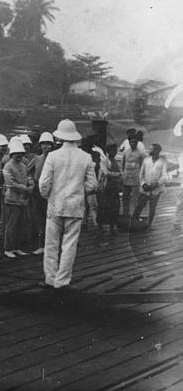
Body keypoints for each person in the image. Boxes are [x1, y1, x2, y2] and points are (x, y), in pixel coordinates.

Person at [39, 119, 97, 290]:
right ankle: (62, 281)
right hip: (75, 205)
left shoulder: (53, 156)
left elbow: (43, 184)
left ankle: (50, 279)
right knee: (69, 244)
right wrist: (79, 191)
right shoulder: (86, 157)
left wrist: (48, 196)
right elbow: (93, 185)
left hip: (55, 204)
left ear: (60, 137)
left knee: (51, 244)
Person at [2, 139, 34, 259]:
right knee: (11, 225)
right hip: (12, 199)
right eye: (16, 154)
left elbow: (29, 178)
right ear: (12, 154)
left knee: (20, 224)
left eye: (21, 153)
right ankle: (8, 248)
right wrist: (25, 189)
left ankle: (16, 247)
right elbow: (10, 183)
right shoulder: (7, 166)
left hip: (23, 200)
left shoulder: (24, 166)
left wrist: (31, 186)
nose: (19, 156)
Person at [27, 132, 54, 254]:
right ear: (40, 145)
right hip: (37, 193)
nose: (47, 147)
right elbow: (27, 173)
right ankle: (41, 245)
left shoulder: (55, 159)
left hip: (51, 192)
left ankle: (52, 244)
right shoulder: (37, 159)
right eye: (44, 144)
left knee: (52, 219)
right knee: (39, 218)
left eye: (49, 144)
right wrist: (31, 182)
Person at [132, 143, 168, 228]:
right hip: (145, 188)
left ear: (157, 151)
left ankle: (149, 224)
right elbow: (141, 174)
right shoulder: (146, 160)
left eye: (152, 149)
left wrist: (156, 184)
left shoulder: (162, 162)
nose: (149, 151)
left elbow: (164, 176)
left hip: (156, 189)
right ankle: (134, 222)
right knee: (139, 205)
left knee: (152, 207)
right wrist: (143, 184)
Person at [98, 143, 122, 236]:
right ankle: (100, 227)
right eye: (112, 150)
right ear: (108, 151)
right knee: (103, 208)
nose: (114, 152)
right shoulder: (104, 161)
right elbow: (106, 172)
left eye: (115, 151)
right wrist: (117, 174)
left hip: (114, 188)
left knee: (114, 208)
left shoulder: (117, 162)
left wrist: (118, 176)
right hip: (105, 188)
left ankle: (112, 228)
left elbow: (122, 173)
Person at [121, 129, 146, 218]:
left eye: (135, 142)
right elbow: (123, 163)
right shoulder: (126, 152)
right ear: (129, 142)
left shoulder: (141, 153)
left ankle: (134, 215)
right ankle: (125, 214)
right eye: (132, 142)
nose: (133, 144)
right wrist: (123, 174)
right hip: (127, 177)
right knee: (125, 197)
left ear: (137, 142)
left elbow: (143, 166)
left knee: (135, 198)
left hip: (136, 177)